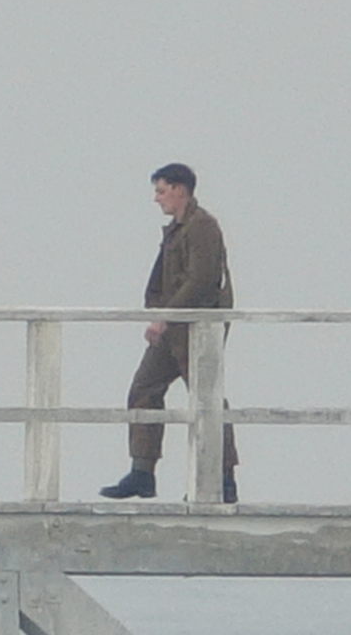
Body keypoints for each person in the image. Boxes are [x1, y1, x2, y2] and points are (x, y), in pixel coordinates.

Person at [99, 162, 239, 503]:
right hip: (174, 328)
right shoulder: (177, 229)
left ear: (180, 189)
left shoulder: (202, 226)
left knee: (207, 399)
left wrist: (165, 317)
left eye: (161, 190)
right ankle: (142, 472)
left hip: (197, 328)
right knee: (144, 388)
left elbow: (202, 279)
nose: (157, 199)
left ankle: (223, 480)